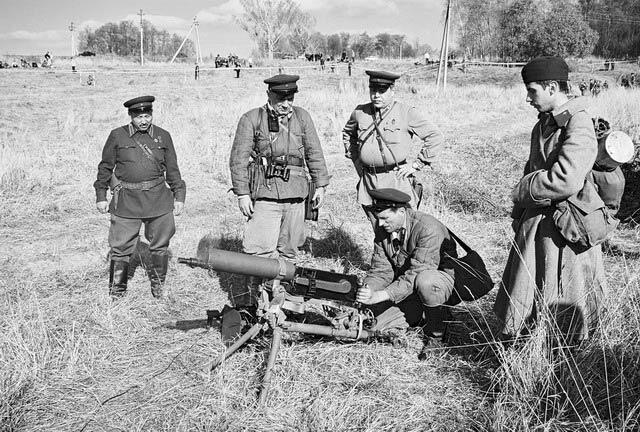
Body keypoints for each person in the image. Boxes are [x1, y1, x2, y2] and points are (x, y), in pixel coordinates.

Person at [494, 56, 606, 345]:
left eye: (532, 91)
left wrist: (524, 189)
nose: (528, 98)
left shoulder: (579, 124)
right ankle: (530, 344)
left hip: (567, 228)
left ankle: (564, 355)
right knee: (529, 288)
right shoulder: (543, 124)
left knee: (566, 294)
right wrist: (519, 212)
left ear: (553, 87)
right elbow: (533, 167)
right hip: (538, 223)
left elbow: (567, 179)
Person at [229, 74, 330, 315]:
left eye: (290, 98)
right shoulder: (252, 119)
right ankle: (252, 302)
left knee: (289, 250)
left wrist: (321, 185)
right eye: (280, 98)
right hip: (265, 194)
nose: (286, 103)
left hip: (296, 194)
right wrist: (243, 193)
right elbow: (238, 160)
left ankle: (282, 300)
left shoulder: (303, 117)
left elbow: (314, 151)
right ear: (269, 95)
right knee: (258, 250)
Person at [94, 96, 186, 299]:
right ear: (131, 116)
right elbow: (105, 167)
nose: (144, 120)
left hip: (158, 200)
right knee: (120, 247)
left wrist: (179, 195)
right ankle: (117, 292)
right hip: (126, 200)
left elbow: (172, 169)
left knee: (160, 244)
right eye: (139, 116)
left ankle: (158, 286)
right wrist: (101, 194)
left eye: (147, 115)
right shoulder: (117, 136)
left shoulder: (163, 136)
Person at [356, 188, 458, 343]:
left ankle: (436, 335)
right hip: (406, 287)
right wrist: (368, 290)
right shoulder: (384, 227)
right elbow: (381, 270)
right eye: (379, 218)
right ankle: (419, 314)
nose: (381, 224)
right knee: (372, 326)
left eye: (385, 218)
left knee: (426, 282)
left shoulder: (428, 228)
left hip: (436, 284)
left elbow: (416, 274)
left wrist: (380, 296)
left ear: (402, 211)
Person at [342, 70, 444, 223]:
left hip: (396, 180)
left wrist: (417, 164)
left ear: (392, 90)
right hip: (369, 181)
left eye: (382, 91)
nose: (376, 95)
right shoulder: (360, 112)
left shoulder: (406, 112)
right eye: (373, 90)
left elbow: (435, 136)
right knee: (379, 229)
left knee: (405, 228)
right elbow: (348, 135)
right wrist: (356, 161)